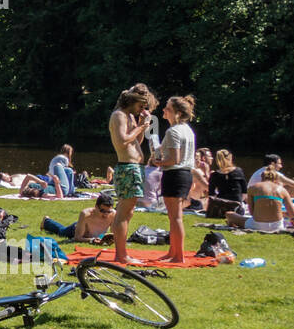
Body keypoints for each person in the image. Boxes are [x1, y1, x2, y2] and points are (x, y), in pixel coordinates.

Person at [109, 84, 156, 265]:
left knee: (128, 214)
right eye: (141, 106)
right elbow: (122, 142)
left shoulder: (129, 116)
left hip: (134, 167)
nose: (141, 110)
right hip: (128, 168)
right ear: (133, 101)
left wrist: (142, 127)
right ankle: (121, 256)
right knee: (123, 213)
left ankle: (121, 253)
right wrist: (141, 125)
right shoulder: (119, 115)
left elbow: (136, 141)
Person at [149, 95, 196, 263]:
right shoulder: (187, 130)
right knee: (174, 217)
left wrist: (157, 161)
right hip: (184, 174)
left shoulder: (173, 131)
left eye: (167, 108)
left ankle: (178, 256)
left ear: (176, 113)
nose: (164, 110)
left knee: (176, 218)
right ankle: (172, 252)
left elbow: (174, 160)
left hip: (175, 174)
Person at [227, 168, 294, 232]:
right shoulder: (282, 190)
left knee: (229, 214)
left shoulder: (253, 188)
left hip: (257, 225)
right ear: (276, 179)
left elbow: (252, 212)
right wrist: (283, 213)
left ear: (261, 177)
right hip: (277, 226)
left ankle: (231, 223)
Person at [41, 192, 117, 243]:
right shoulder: (86, 214)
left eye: (108, 211)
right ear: (96, 207)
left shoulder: (113, 214)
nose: (106, 214)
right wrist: (91, 240)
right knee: (61, 231)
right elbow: (77, 237)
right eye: (103, 211)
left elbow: (114, 234)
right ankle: (46, 221)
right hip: (76, 229)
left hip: (94, 234)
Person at [208, 149, 248, 216]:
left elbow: (211, 194)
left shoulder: (214, 175)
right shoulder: (238, 171)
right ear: (231, 157)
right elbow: (244, 192)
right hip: (236, 207)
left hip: (221, 207)